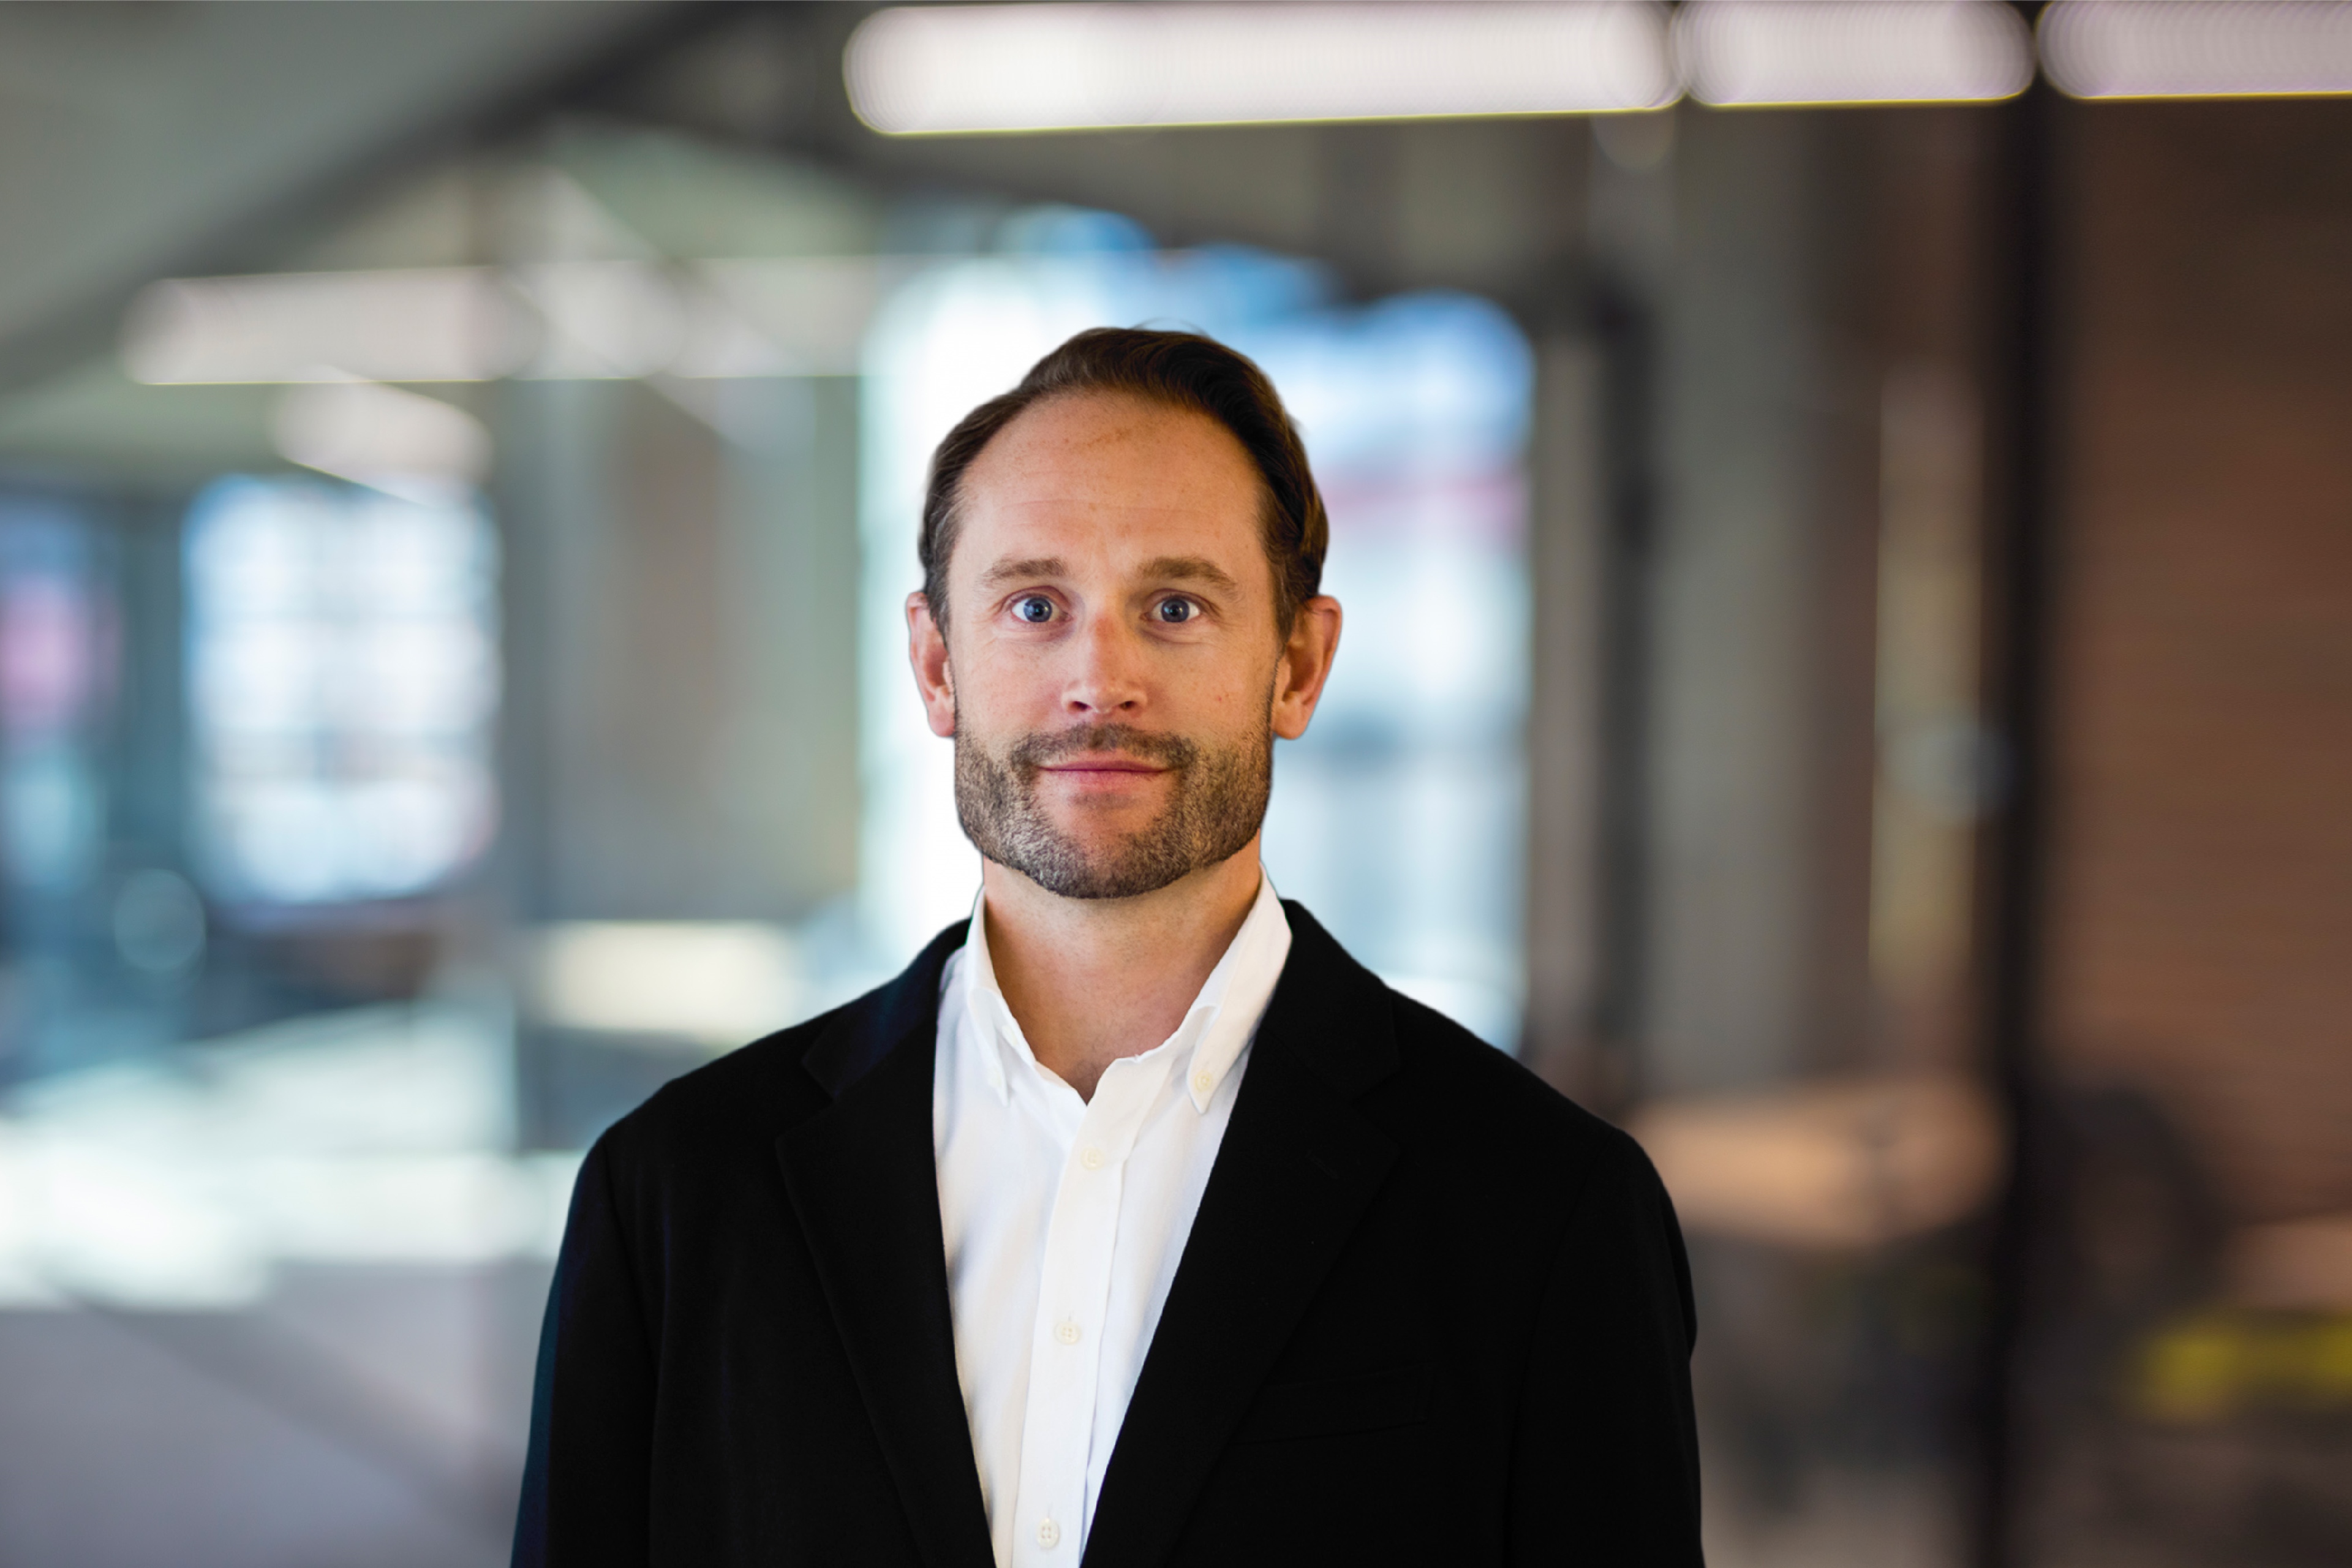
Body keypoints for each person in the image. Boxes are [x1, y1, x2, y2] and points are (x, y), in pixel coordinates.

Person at [513, 328, 1702, 1567]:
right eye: (1035, 606)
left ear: (1297, 667)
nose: (1100, 679)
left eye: (1175, 607)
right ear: (936, 665)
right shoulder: (676, 1194)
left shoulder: (1544, 1209)